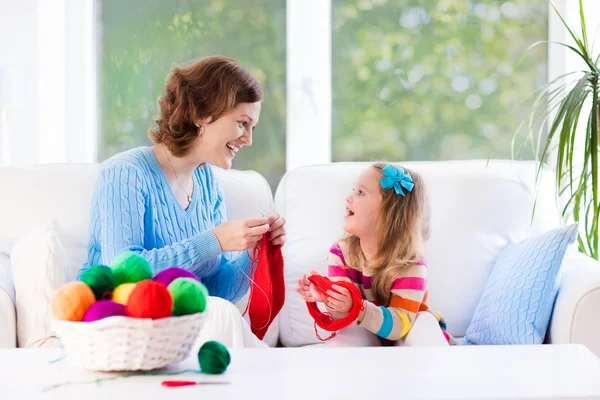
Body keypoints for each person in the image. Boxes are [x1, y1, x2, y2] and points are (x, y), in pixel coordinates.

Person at [79, 56, 287, 348]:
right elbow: (123, 273)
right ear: (203, 113)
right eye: (242, 123)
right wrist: (213, 241)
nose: (248, 139)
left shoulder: (207, 183)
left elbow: (214, 292)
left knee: (223, 315)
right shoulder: (125, 172)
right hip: (119, 326)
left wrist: (253, 254)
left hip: (178, 330)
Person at [296, 162, 454, 346]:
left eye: (361, 193)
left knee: (424, 324)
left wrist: (360, 309)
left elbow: (399, 327)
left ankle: (437, 369)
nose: (348, 198)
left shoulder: (411, 264)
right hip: (365, 331)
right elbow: (346, 312)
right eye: (354, 190)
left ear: (389, 214)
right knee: (347, 333)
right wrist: (331, 298)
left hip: (406, 333)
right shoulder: (341, 254)